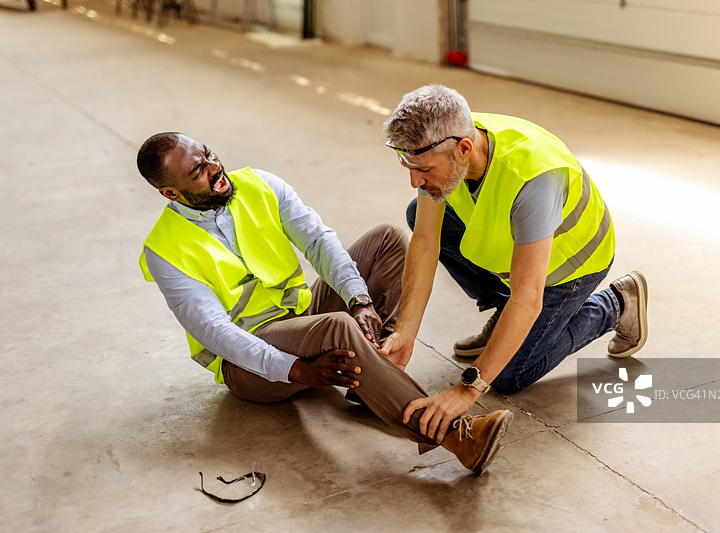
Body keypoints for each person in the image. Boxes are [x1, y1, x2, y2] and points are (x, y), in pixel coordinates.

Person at [135, 132, 513, 475]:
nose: (214, 167)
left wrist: (359, 299)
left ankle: (373, 379)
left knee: (388, 240)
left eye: (208, 153)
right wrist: (298, 370)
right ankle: (454, 435)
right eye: (198, 172)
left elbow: (317, 241)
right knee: (338, 326)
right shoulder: (165, 251)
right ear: (171, 193)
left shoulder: (258, 184)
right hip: (249, 361)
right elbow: (216, 333)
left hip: (303, 314)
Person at [379, 85, 648, 441]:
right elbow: (426, 243)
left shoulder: (533, 178)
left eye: (424, 169)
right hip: (521, 251)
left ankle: (616, 303)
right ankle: (502, 310)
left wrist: (467, 390)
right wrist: (405, 333)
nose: (415, 180)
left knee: (508, 375)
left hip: (569, 266)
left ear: (463, 149)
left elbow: (529, 296)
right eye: (410, 167)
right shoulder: (444, 137)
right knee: (420, 212)